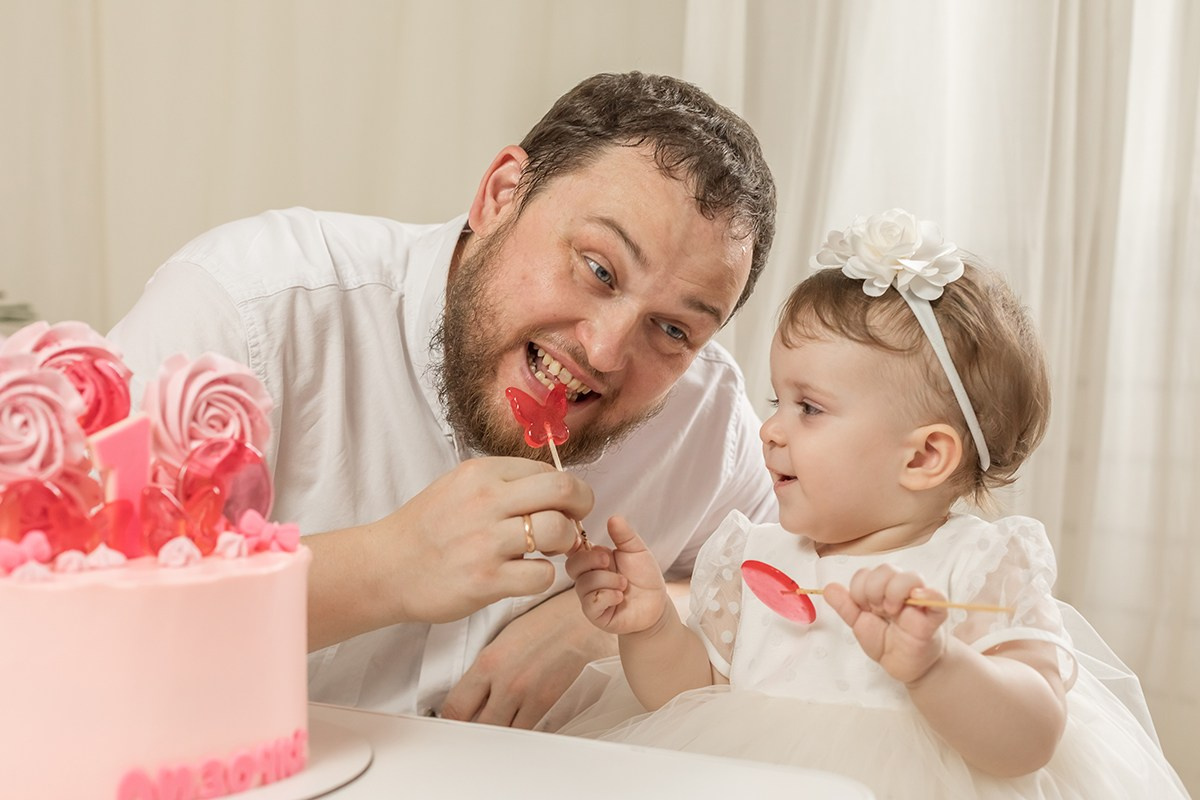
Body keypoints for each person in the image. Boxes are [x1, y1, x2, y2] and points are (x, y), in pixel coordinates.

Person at [107, 72, 778, 727]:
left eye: (673, 330)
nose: (604, 352)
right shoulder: (247, 308)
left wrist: (615, 625)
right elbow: (76, 612)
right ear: (501, 194)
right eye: (598, 269)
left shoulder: (707, 417)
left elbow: (791, 595)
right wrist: (387, 566)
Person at [549, 209, 1187, 798]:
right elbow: (693, 697)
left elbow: (1030, 739)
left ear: (923, 457)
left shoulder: (978, 567)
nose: (770, 430)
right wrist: (652, 627)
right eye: (777, 401)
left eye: (809, 408)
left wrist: (936, 666)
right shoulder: (754, 555)